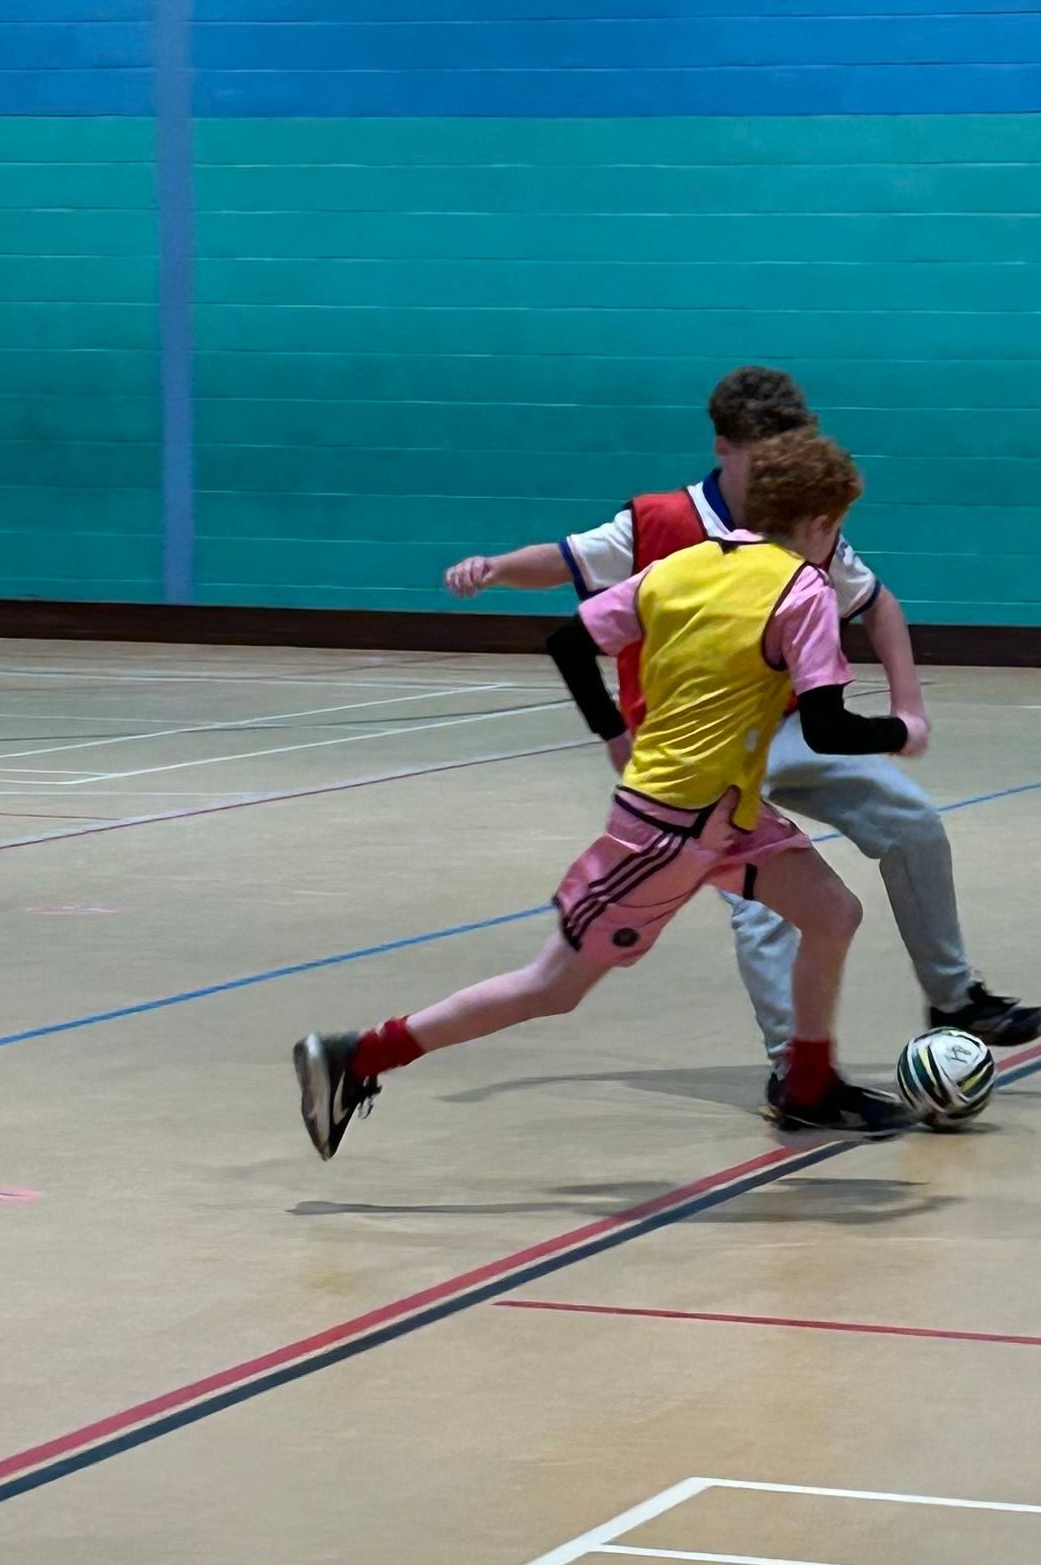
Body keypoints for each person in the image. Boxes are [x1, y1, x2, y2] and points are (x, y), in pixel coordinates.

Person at [294, 431, 918, 1160]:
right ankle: (358, 1059)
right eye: (837, 528)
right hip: (672, 832)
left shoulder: (681, 566)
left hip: (719, 814)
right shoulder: (803, 590)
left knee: (833, 912)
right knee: (551, 988)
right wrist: (899, 730)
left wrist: (617, 738)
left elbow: (568, 641)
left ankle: (810, 1086)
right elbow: (827, 723)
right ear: (817, 525)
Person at [444, 366, 1041, 1065]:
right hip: (699, 754)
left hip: (791, 727)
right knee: (766, 901)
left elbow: (877, 603)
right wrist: (493, 567)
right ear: (723, 450)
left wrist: (906, 707)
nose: (778, 474)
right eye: (763, 460)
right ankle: (792, 1064)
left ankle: (954, 998)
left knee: (911, 822)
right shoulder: (659, 523)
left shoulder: (807, 528)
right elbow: (562, 561)